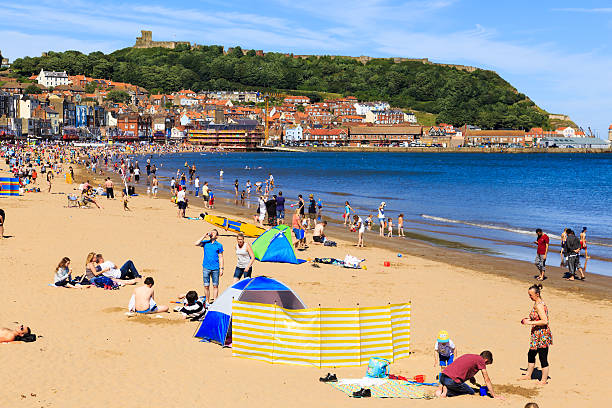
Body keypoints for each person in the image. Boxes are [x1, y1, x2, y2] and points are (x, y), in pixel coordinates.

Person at [520, 284, 552, 386]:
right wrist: (528, 320)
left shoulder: (539, 305)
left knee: (543, 357)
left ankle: (543, 380)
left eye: (531, 295)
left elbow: (544, 321)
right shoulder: (537, 303)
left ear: (537, 294)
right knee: (531, 354)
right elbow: (537, 318)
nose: (530, 297)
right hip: (536, 334)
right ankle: (528, 375)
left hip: (542, 335)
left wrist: (530, 323)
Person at [435, 351, 503, 399]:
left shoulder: (470, 356)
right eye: (486, 364)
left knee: (457, 384)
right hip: (451, 380)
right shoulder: (481, 361)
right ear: (486, 360)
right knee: (470, 391)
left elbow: (464, 366)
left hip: (443, 377)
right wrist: (494, 395)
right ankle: (447, 391)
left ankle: (442, 387)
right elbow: (486, 379)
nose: (484, 365)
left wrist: (471, 377)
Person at [195, 230, 224, 304]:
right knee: (206, 286)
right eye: (211, 232)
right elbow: (196, 243)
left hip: (215, 268)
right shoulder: (205, 243)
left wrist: (221, 268)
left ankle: (215, 301)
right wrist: (204, 236)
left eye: (213, 233)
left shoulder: (219, 245)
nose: (211, 233)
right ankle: (207, 301)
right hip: (206, 267)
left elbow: (221, 257)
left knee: (215, 286)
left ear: (217, 236)